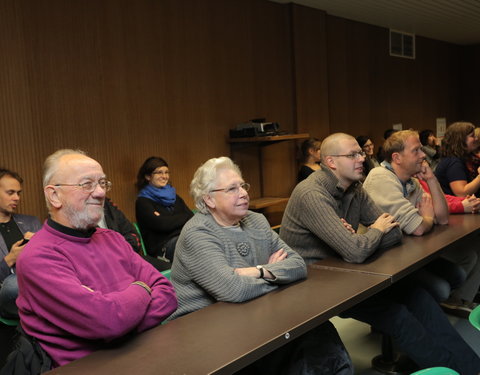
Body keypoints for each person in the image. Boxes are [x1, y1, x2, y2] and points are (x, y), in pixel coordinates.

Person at [280, 133, 480, 374]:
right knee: (398, 316)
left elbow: (394, 234)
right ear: (331, 162)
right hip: (315, 286)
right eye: (353, 155)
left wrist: (360, 239)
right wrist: (372, 232)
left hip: (350, 273)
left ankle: (471, 368)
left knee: (419, 297)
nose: (361, 159)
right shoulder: (311, 194)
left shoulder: (355, 187)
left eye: (361, 153)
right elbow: (355, 251)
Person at [170, 156, 353, 374]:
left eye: (243, 185)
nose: (244, 193)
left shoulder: (256, 221)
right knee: (296, 351)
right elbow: (234, 289)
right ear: (209, 199)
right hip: (207, 332)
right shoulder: (197, 234)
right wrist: (277, 277)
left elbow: (297, 265)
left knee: (319, 332)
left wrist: (258, 271)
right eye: (232, 189)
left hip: (252, 314)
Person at [16, 149, 177, 368]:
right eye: (87, 184)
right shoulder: (38, 256)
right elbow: (108, 321)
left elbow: (167, 294)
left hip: (146, 356)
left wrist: (119, 320)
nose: (101, 193)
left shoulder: (113, 239)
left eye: (102, 183)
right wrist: (142, 287)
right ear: (54, 195)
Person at [363, 130, 480, 316]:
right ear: (397, 157)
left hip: (409, 254)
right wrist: (426, 218)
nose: (424, 154)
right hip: (385, 262)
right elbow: (418, 228)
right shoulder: (380, 177)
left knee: (459, 273)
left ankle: (430, 310)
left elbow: (442, 218)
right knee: (441, 289)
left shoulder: (411, 181)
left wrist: (432, 180)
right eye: (416, 150)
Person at [0, 169, 41, 319]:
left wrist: (39, 245)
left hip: (38, 290)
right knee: (13, 284)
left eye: (19, 193)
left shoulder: (32, 223)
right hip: (7, 298)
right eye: (10, 193)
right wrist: (10, 258)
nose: (17, 198)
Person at [136, 156, 193, 263]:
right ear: (148, 176)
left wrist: (170, 221)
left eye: (166, 172)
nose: (164, 176)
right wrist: (182, 218)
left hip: (183, 238)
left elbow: (191, 217)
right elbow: (162, 225)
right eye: (159, 172)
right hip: (162, 249)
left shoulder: (174, 196)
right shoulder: (143, 201)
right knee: (192, 243)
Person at [435, 122, 480, 196]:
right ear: (460, 140)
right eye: (472, 136)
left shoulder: (463, 158)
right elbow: (462, 193)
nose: (476, 138)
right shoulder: (453, 162)